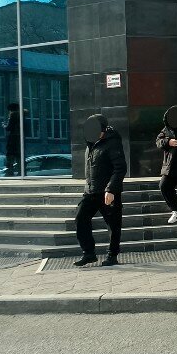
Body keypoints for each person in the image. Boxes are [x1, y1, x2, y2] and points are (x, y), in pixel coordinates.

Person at [74, 114, 127, 268]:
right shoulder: (90, 143)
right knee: (80, 218)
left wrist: (111, 189)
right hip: (91, 192)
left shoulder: (112, 143)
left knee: (113, 225)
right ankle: (88, 253)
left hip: (108, 192)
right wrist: (88, 187)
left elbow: (120, 168)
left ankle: (112, 255)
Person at [4, 103, 21, 176]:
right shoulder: (22, 116)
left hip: (13, 139)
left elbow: (9, 128)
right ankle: (21, 172)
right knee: (19, 156)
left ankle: (9, 172)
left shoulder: (13, 116)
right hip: (20, 139)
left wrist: (4, 126)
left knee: (10, 156)